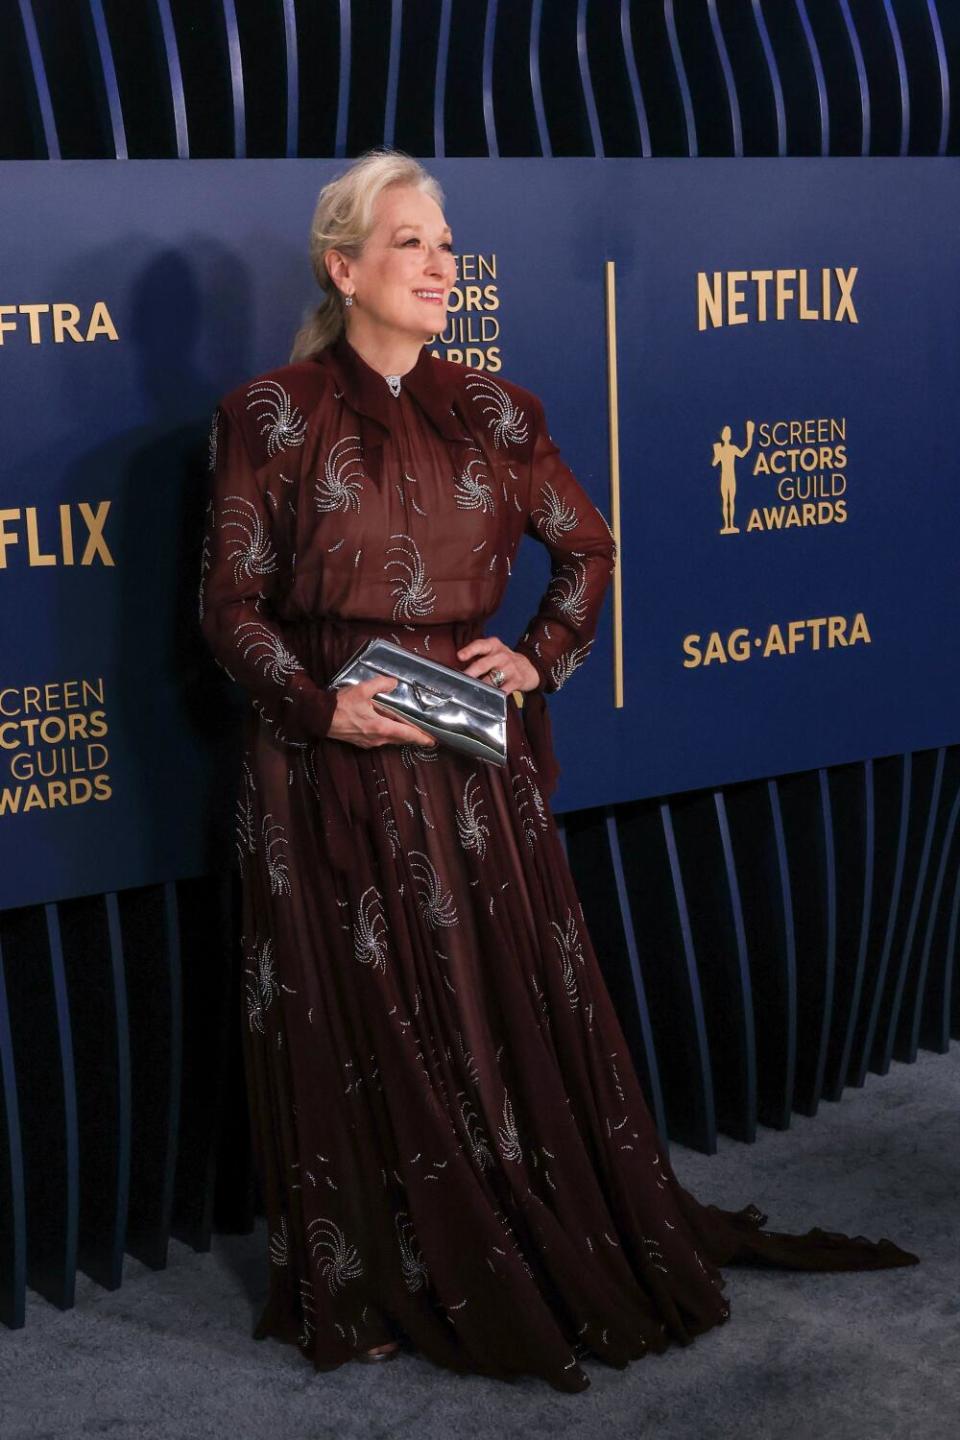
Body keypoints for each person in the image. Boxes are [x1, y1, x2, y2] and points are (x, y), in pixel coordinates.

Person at [198, 147, 917, 1394]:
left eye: (446, 242)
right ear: (343, 266)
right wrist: (321, 709)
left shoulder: (499, 408)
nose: (439, 262)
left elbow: (588, 551)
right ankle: (372, 1277)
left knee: (485, 1001)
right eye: (410, 240)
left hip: (472, 762)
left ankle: (514, 1236)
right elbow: (228, 604)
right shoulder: (269, 413)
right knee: (352, 1013)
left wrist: (535, 659)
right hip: (322, 764)